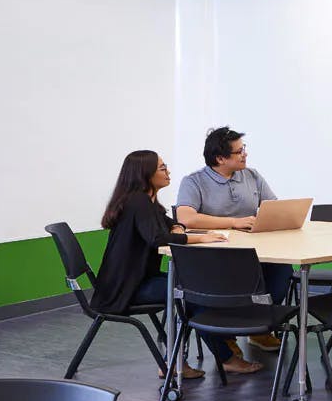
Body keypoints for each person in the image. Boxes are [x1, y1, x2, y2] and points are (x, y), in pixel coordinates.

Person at [90, 150, 229, 379]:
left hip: (134, 281)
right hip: (126, 289)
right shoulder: (138, 202)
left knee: (194, 290)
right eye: (162, 168)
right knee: (191, 294)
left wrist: (178, 228)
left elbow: (169, 223)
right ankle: (192, 360)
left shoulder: (147, 201)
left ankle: (195, 357)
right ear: (146, 174)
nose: (168, 171)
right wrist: (200, 237)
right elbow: (157, 239)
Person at [174, 126, 289, 366]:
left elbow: (273, 206)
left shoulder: (252, 175)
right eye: (238, 152)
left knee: (282, 273)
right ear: (220, 158)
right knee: (219, 292)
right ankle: (225, 337)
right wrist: (234, 223)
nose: (244, 155)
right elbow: (186, 217)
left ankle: (258, 329)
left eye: (243, 149)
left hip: (254, 253)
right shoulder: (194, 182)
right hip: (213, 258)